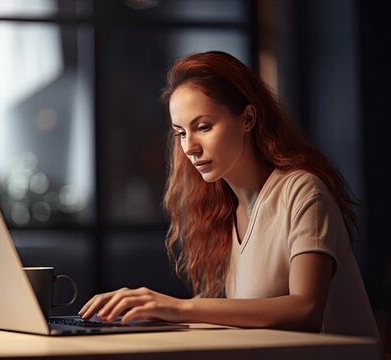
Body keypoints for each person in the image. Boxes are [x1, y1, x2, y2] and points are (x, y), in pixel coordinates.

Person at [78, 50, 381, 341]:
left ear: (248, 118)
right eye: (181, 133)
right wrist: (150, 313)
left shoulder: (301, 191)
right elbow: (242, 315)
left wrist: (179, 308)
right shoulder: (226, 211)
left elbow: (306, 309)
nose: (189, 147)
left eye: (203, 127)